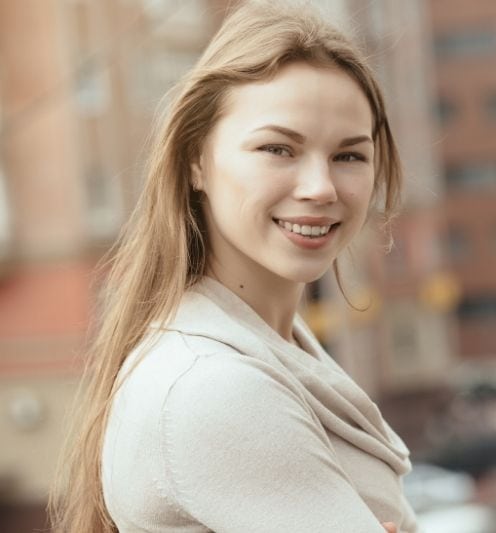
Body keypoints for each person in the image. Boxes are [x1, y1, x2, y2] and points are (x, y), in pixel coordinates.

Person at [48, 2, 416, 531]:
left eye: (349, 155)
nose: (321, 187)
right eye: (278, 149)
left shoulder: (272, 345)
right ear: (196, 159)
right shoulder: (213, 387)